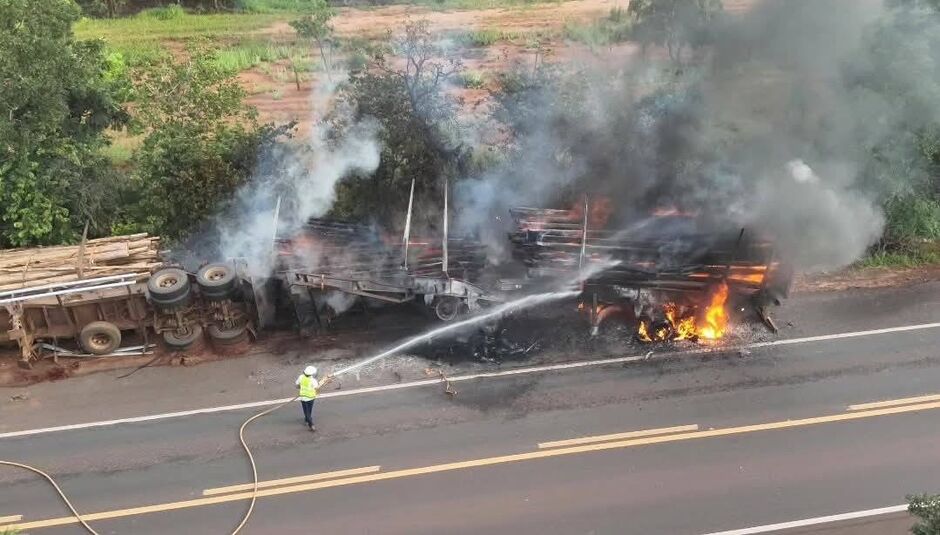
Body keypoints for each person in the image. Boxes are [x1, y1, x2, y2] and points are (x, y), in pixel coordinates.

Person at [295, 365, 320, 431]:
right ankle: (310, 423)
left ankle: (308, 420)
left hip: (303, 398)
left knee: (306, 411)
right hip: (311, 398)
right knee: (309, 410)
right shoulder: (313, 380)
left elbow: (297, 385)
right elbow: (316, 387)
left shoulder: (301, 377)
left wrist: (300, 387)